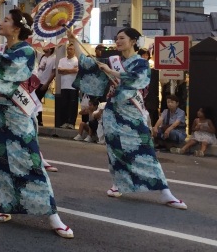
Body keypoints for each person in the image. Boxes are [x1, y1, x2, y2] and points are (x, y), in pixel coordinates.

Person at [0, 4, 74, 239]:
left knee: (29, 159)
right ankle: (6, 206)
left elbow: (5, 64)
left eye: (6, 20)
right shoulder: (2, 48)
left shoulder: (26, 51)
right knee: (1, 159)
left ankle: (52, 214)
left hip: (17, 112)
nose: (2, 22)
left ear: (17, 28)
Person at [70, 27, 187, 209]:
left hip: (132, 113)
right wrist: (74, 40)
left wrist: (113, 72)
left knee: (145, 150)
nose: (118, 41)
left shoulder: (140, 63)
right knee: (115, 150)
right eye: (116, 38)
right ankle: (118, 184)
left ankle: (165, 191)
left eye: (122, 38)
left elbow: (138, 79)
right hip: (112, 113)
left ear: (133, 41)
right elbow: (86, 63)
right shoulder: (113, 60)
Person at [33, 45, 56, 127]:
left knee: (37, 100)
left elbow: (53, 72)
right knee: (35, 100)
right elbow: (34, 50)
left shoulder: (53, 58)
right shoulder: (42, 56)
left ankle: (39, 120)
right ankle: (37, 119)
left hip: (44, 83)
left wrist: (47, 84)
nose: (44, 47)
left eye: (47, 46)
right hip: (37, 82)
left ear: (50, 49)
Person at [57, 43, 79, 128]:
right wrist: (71, 70)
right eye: (68, 49)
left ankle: (72, 123)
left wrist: (65, 70)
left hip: (73, 86)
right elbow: (59, 71)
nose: (69, 50)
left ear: (74, 50)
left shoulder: (77, 60)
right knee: (64, 105)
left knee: (73, 106)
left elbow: (76, 70)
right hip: (64, 86)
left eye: (71, 49)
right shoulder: (62, 60)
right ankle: (64, 122)